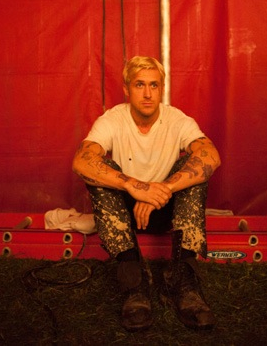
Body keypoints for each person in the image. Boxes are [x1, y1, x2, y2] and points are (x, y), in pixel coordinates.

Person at [72, 55, 221, 332]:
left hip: (167, 210)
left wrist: (162, 190)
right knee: (100, 172)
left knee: (194, 169)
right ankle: (134, 284)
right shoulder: (112, 120)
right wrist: (135, 187)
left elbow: (211, 156)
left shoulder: (177, 119)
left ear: (162, 88)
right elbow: (81, 161)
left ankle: (183, 280)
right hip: (127, 214)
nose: (148, 93)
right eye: (140, 85)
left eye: (154, 85)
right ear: (127, 89)